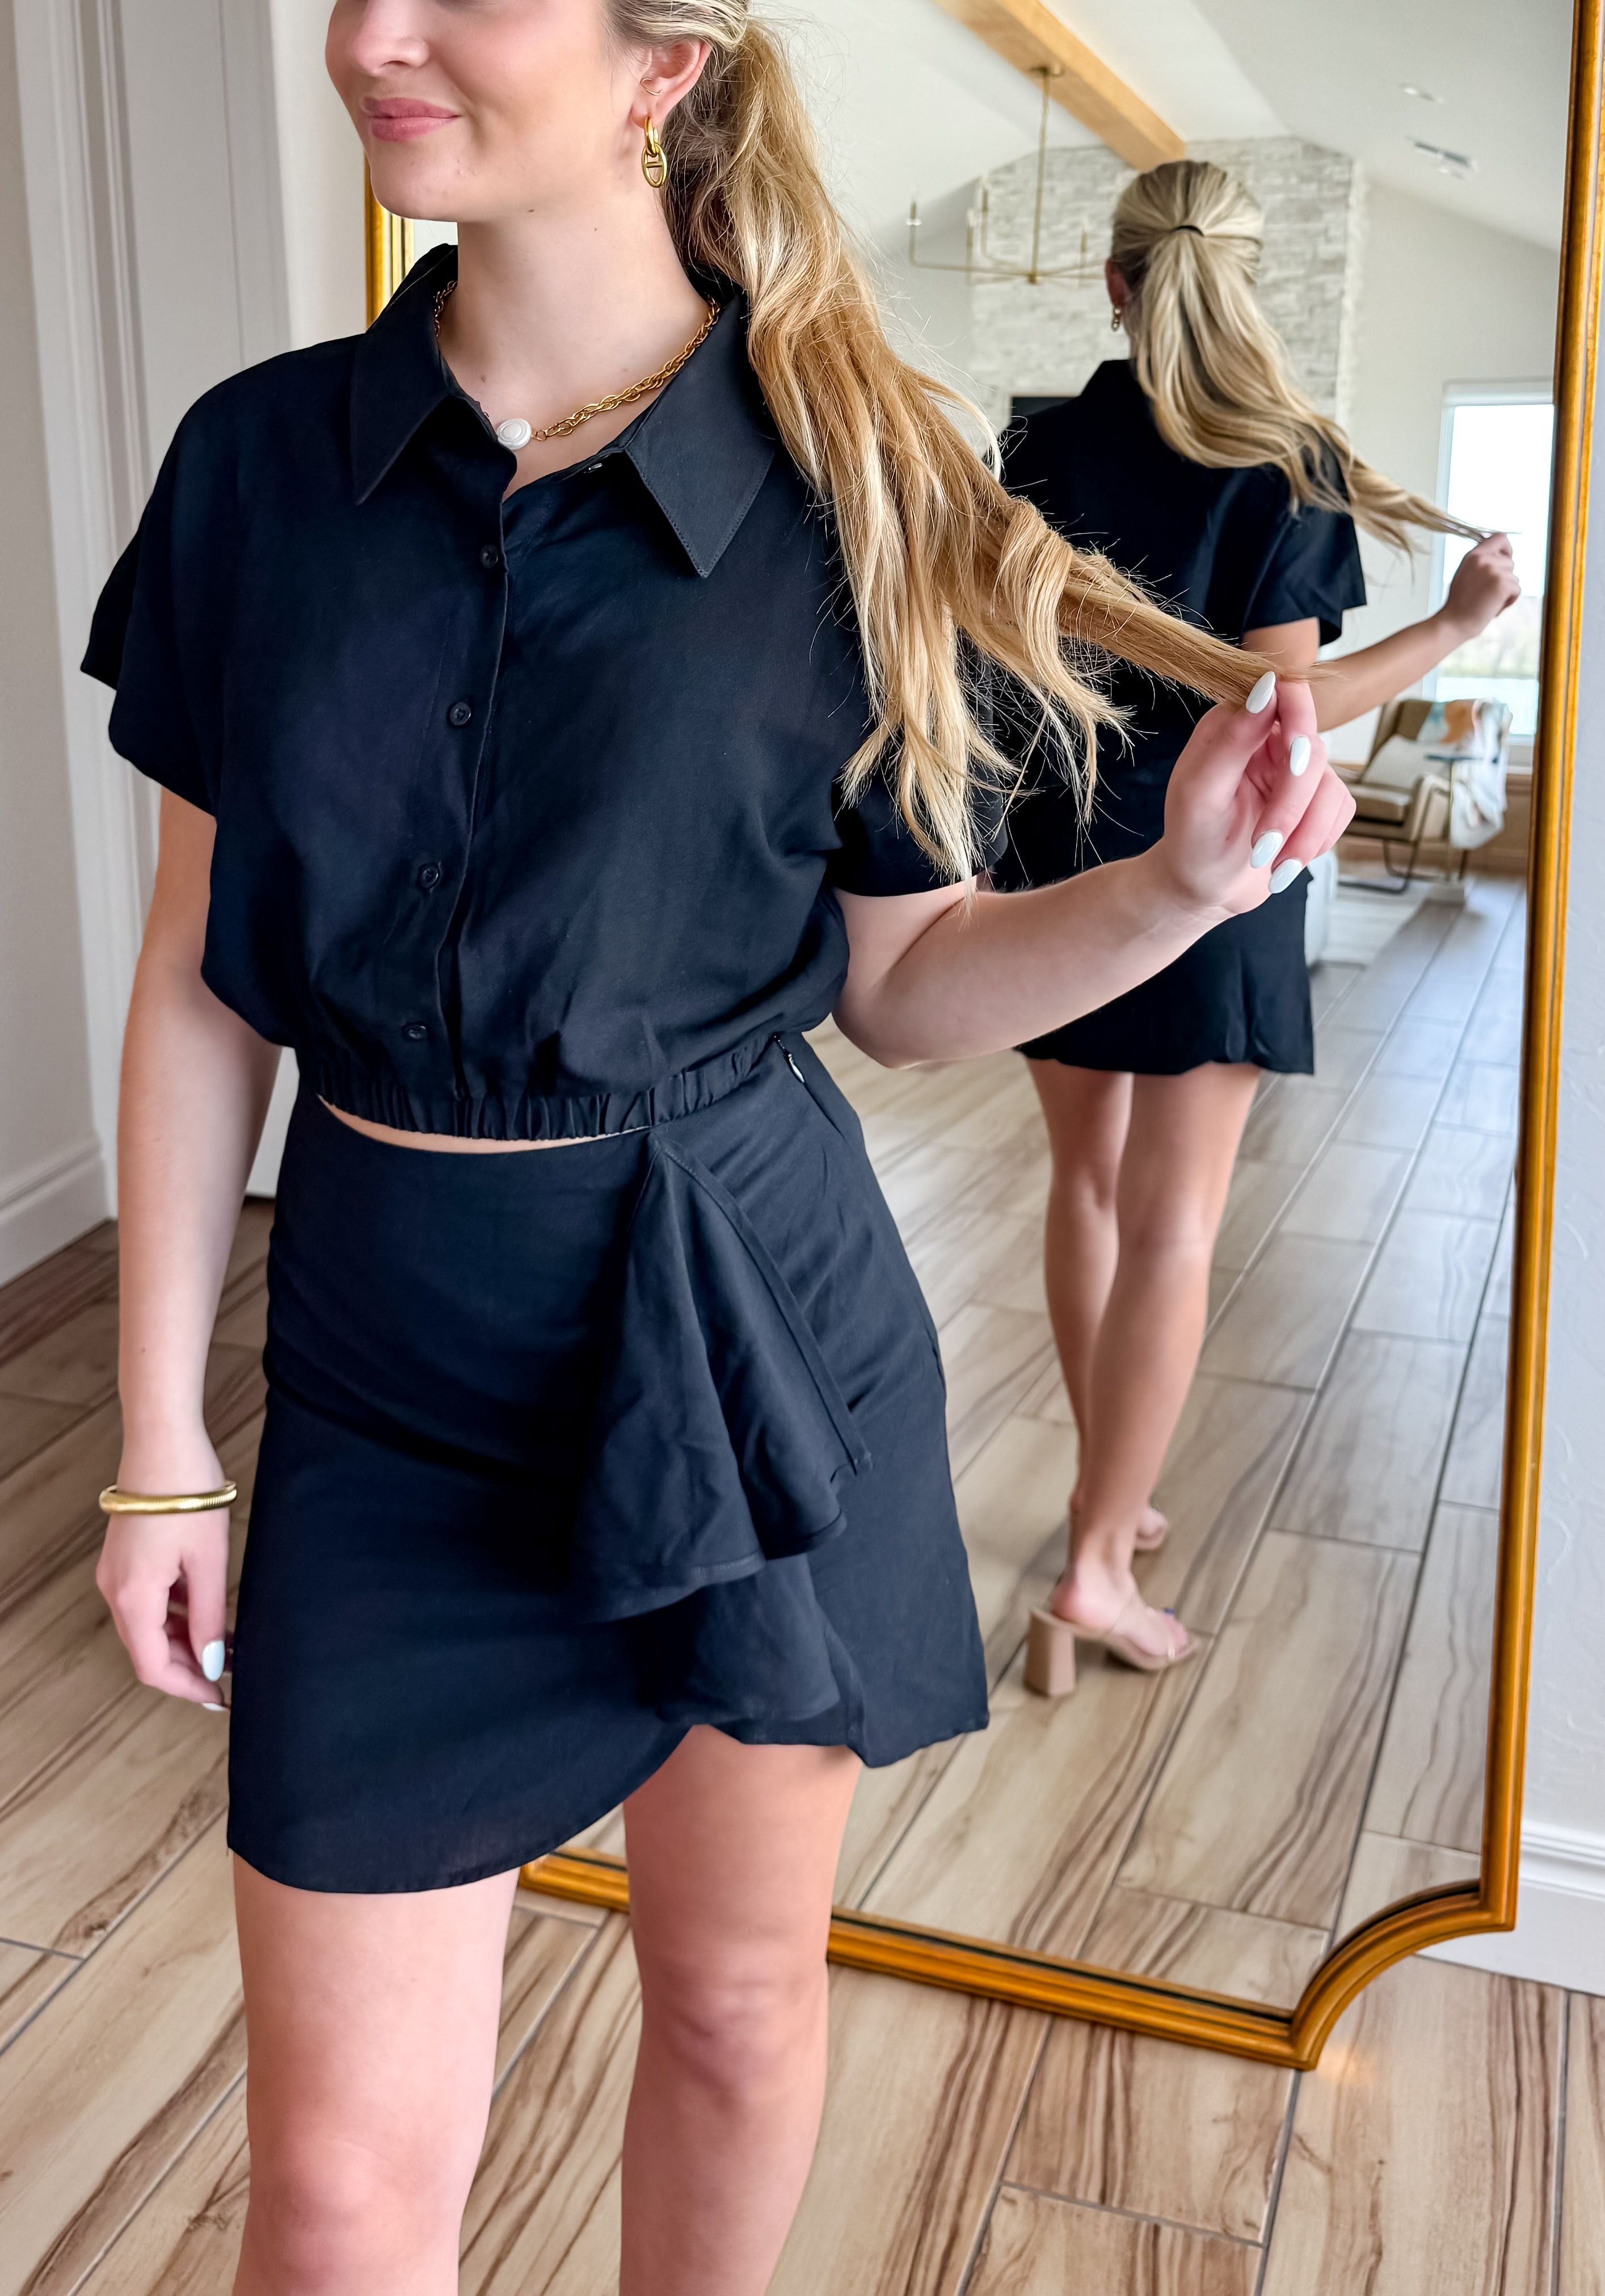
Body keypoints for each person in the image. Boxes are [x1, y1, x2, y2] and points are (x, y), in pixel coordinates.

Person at [84, 14, 1353, 2293]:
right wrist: (162, 1442)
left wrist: (1180, 891)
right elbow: (201, 974)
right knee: (337, 2201)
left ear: (662, 62)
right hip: (382, 1386)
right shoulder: (258, 465)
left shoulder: (855, 481)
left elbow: (903, 982)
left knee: (740, 2008)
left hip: (747, 1343)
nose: (370, 34)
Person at [999, 159, 1520, 1692]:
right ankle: (1097, 1564)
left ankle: (1110, 1491)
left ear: (1114, 282)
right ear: (1245, 281)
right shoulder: (1281, 462)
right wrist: (1454, 626)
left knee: (1086, 1187)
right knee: (1175, 1223)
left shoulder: (1037, 444)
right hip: (1205, 866)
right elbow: (1286, 705)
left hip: (1052, 852)